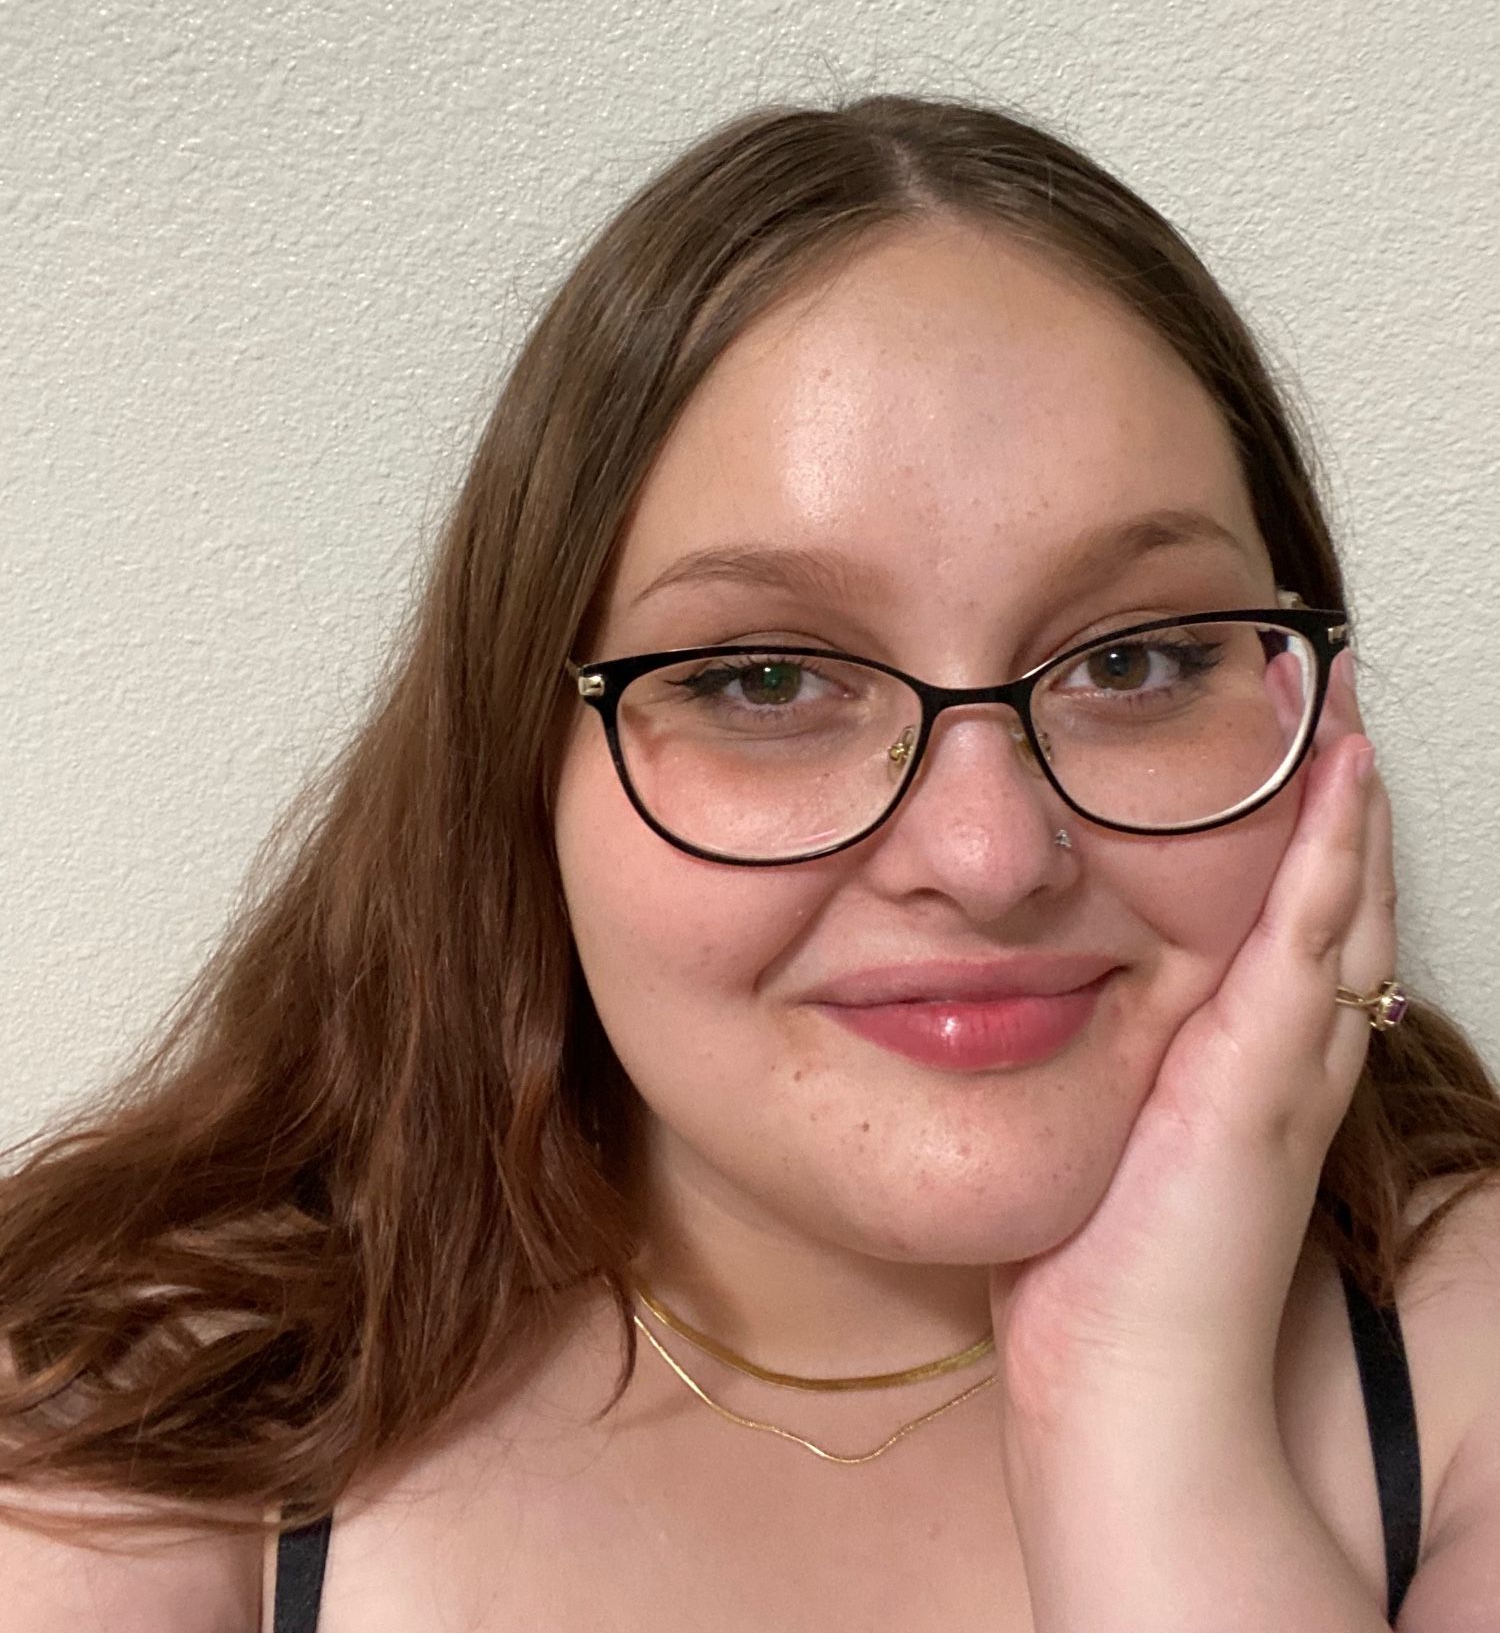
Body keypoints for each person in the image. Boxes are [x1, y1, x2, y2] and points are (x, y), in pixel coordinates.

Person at [3, 95, 1498, 1632]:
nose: (986, 857)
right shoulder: (138, 1436)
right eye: (766, 681)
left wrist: (1146, 1416)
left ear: (1313, 716)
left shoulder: (1470, 1359)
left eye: (1135, 659)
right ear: (520, 766)